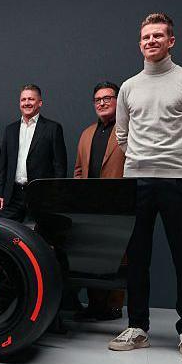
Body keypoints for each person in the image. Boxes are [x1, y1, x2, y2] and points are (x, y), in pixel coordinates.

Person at [109, 13, 182, 363]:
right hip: (137, 180)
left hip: (179, 180)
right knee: (137, 257)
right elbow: (122, 135)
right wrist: (143, 160)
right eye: (146, 37)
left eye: (158, 36)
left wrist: (177, 158)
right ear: (140, 43)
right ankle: (137, 326)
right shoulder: (129, 86)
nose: (151, 41)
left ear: (171, 41)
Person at [73, 81, 125, 321]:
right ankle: (94, 305)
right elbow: (78, 170)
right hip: (89, 206)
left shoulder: (128, 129)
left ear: (118, 100)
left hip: (118, 205)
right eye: (98, 100)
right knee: (92, 256)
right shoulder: (86, 133)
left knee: (119, 256)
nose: (102, 103)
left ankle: (114, 306)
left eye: (108, 98)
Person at [0, 84, 67, 221]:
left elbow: (60, 166)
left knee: (40, 237)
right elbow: (3, 165)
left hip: (41, 195)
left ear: (40, 103)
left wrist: (55, 196)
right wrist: (0, 193)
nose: (26, 103)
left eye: (31, 99)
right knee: (8, 237)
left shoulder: (52, 128)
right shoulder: (10, 130)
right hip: (12, 195)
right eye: (23, 100)